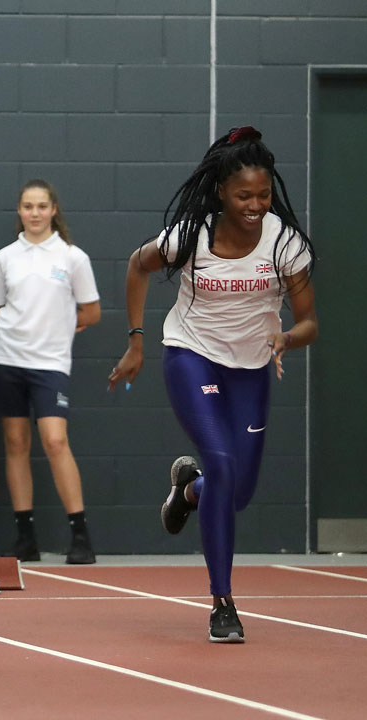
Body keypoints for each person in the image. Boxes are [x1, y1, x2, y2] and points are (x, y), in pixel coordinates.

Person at [109, 126, 317, 643]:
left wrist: (287, 338)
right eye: (244, 195)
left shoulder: (284, 242)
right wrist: (137, 341)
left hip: (250, 369)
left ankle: (189, 487)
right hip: (191, 355)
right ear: (222, 191)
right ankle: (223, 603)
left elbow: (311, 322)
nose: (255, 205)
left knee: (235, 492)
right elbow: (138, 266)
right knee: (222, 462)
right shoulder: (191, 234)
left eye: (263, 195)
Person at [0, 179, 101, 564]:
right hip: (7, 361)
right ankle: (25, 538)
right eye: (27, 206)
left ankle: (80, 535)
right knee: (16, 444)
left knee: (54, 441)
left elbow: (92, 311)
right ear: (19, 211)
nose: (34, 213)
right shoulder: (4, 258)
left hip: (50, 365)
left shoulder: (72, 258)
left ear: (53, 210)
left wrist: (58, 327)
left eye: (41, 206)